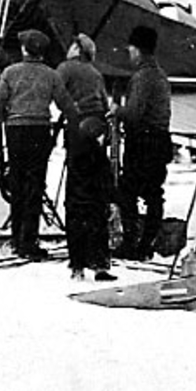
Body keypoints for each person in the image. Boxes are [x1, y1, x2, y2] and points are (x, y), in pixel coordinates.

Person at [0, 28, 78, 261]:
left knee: (16, 182)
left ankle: (17, 238)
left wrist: (7, 118)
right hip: (40, 131)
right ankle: (29, 241)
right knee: (34, 184)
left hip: (16, 131)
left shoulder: (10, 72)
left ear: (24, 49)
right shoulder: (51, 75)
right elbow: (66, 105)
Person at [110, 24, 172, 260]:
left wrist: (117, 110)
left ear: (137, 50)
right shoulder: (160, 75)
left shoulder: (143, 77)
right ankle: (147, 243)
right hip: (160, 139)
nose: (129, 53)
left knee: (128, 191)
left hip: (144, 142)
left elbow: (135, 113)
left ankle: (132, 242)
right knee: (153, 193)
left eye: (131, 49)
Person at [58, 34, 115, 281]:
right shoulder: (95, 72)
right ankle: (100, 261)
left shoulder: (66, 68)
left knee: (76, 199)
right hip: (98, 131)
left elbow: (57, 95)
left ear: (76, 49)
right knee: (97, 198)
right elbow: (104, 102)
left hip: (78, 130)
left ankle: (78, 264)